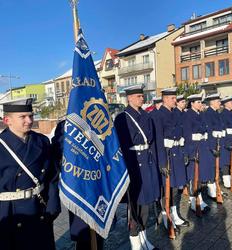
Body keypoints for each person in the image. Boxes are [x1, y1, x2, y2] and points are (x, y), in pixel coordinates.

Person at [0, 98, 61, 250]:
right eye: (23, 117)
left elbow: (52, 176)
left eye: (31, 116)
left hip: (38, 209)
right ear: (8, 120)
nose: (29, 120)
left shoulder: (41, 141)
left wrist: (53, 205)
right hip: (9, 213)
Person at [114, 85, 160, 250]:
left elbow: (152, 142)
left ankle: (144, 239)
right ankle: (135, 244)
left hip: (146, 164)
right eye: (139, 96)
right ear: (129, 98)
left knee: (145, 206)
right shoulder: (122, 118)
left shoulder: (146, 116)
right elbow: (118, 147)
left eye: (142, 95)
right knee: (134, 208)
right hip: (132, 165)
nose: (142, 98)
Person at [51, 119, 105, 250]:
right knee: (83, 232)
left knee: (100, 229)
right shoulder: (66, 125)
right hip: (79, 186)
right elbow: (58, 151)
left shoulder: (101, 122)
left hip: (99, 184)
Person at [152, 87, 189, 230]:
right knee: (165, 188)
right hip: (166, 155)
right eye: (173, 98)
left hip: (176, 152)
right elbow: (157, 139)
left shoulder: (175, 113)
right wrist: (162, 162)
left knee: (174, 187)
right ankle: (166, 216)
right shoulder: (158, 115)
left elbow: (181, 131)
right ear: (165, 99)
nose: (176, 100)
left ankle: (174, 214)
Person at [183, 94, 211, 212]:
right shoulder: (188, 115)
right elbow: (186, 133)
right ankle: (194, 200)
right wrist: (193, 139)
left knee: (200, 175)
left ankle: (199, 197)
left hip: (202, 146)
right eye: (198, 102)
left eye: (201, 102)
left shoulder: (201, 114)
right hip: (193, 147)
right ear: (192, 103)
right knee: (193, 175)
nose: (201, 104)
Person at [202, 93, 226, 199]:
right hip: (212, 144)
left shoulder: (216, 112)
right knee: (212, 168)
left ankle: (216, 188)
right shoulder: (208, 114)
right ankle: (211, 190)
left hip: (218, 142)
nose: (220, 103)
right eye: (218, 101)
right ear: (212, 102)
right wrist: (212, 148)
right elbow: (209, 131)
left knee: (216, 167)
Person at [220, 96, 232, 188]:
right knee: (226, 159)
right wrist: (229, 131)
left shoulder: (231, 112)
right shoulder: (223, 114)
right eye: (231, 102)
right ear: (226, 104)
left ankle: (231, 177)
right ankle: (226, 179)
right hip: (226, 139)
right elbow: (223, 126)